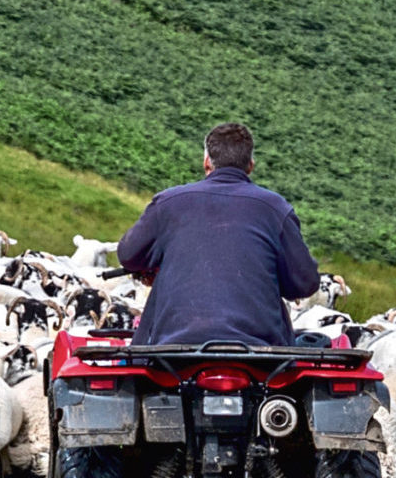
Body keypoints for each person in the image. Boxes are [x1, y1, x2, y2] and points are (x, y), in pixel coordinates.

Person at [114, 123, 319, 347]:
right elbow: (305, 283)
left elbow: (128, 255)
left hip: (173, 351)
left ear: (206, 162)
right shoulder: (276, 208)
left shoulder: (168, 203)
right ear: (250, 165)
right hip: (262, 352)